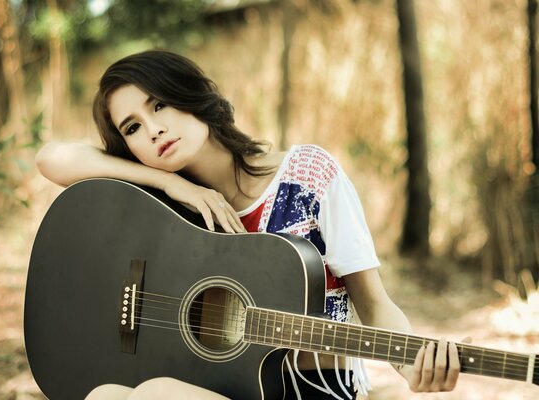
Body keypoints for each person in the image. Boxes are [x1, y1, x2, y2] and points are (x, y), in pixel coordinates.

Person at [35, 50, 462, 400]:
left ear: (190, 93)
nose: (154, 129)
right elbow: (51, 159)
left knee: (154, 394)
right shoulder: (164, 209)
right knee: (102, 397)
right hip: (216, 387)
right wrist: (168, 183)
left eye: (159, 104)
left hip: (315, 389)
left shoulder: (306, 176)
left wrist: (412, 366)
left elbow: (373, 303)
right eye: (132, 128)